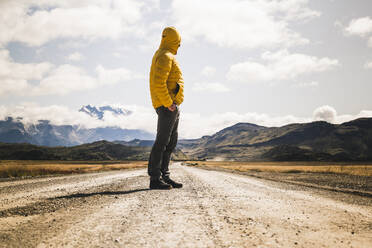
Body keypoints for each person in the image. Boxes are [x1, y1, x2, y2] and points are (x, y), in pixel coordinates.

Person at [148, 27, 184, 190]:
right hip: (167, 106)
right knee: (162, 142)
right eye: (178, 43)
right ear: (173, 41)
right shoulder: (164, 56)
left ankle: (164, 176)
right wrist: (168, 103)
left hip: (171, 106)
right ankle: (155, 179)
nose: (179, 46)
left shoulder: (165, 55)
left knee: (170, 143)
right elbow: (158, 83)